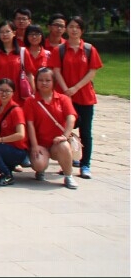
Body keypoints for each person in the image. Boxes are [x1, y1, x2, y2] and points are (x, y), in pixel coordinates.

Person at [49, 16, 102, 179]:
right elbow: (56, 70)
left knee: (85, 131)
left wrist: (76, 88)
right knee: (66, 131)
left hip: (85, 97)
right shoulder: (60, 50)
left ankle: (85, 164)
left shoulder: (88, 49)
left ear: (82, 30)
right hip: (65, 97)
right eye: (71, 27)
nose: (73, 30)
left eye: (77, 27)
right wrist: (66, 89)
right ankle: (67, 162)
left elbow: (92, 71)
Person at [25, 67, 78, 189]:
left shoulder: (63, 99)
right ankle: (41, 169)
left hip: (57, 142)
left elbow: (71, 118)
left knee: (64, 145)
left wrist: (64, 135)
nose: (44, 83)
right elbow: (30, 125)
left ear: (53, 82)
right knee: (38, 164)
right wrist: (34, 146)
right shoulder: (30, 101)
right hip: (41, 144)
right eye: (40, 80)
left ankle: (68, 175)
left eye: (47, 80)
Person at [0, 21, 31, 107]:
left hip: (17, 95)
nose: (4, 34)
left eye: (7, 31)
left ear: (14, 33)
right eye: (1, 32)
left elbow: (29, 73)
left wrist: (32, 91)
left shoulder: (22, 52)